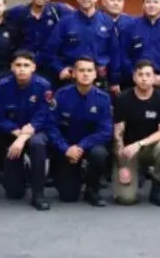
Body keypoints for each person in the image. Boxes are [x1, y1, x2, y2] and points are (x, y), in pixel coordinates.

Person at [48, 55, 113, 207]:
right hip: (66, 147)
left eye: (90, 70)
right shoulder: (61, 95)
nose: (85, 74)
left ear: (95, 74)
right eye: (81, 70)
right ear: (73, 73)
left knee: (99, 154)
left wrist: (82, 146)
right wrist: (66, 148)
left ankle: (92, 189)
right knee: (68, 196)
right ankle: (74, 174)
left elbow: (106, 131)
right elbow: (51, 127)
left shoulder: (103, 98)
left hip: (90, 146)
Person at [0, 50, 53, 210]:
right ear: (12, 67)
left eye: (26, 65)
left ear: (33, 67)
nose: (22, 69)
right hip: (12, 133)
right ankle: (22, 172)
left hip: (36, 131)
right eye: (18, 65)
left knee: (37, 144)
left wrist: (24, 136)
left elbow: (44, 115)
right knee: (14, 193)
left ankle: (38, 193)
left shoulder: (43, 86)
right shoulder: (2, 86)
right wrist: (15, 132)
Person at [112, 59, 160, 207]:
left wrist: (139, 144)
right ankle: (134, 172)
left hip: (150, 148)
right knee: (126, 199)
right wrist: (122, 166)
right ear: (134, 77)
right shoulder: (123, 99)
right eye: (140, 75)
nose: (144, 78)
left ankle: (157, 190)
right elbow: (117, 134)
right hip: (127, 152)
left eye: (148, 75)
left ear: (154, 78)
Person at [44, 0, 119, 88]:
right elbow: (49, 51)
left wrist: (115, 81)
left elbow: (114, 53)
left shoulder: (107, 21)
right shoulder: (65, 22)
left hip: (99, 78)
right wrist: (60, 68)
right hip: (72, 78)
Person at [7, 0, 74, 83]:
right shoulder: (18, 12)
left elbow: (79, 17)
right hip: (25, 68)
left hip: (51, 68)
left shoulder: (58, 10)